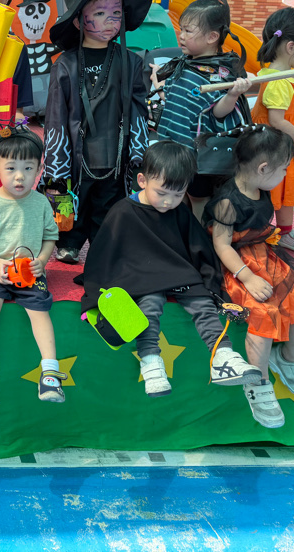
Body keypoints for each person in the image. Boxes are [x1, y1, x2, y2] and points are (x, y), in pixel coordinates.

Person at [82, 141, 261, 398]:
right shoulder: (122, 211)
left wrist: (207, 278)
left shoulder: (180, 210)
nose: (169, 202)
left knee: (202, 302)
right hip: (139, 276)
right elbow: (105, 254)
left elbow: (196, 246)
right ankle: (151, 361)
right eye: (162, 193)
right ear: (142, 180)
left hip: (177, 271)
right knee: (149, 305)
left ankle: (223, 355)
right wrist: (96, 295)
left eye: (178, 195)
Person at [204, 126, 294, 429]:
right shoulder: (227, 202)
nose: (286, 174)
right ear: (263, 169)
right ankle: (258, 383)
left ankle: (287, 357)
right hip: (235, 266)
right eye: (284, 169)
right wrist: (248, 277)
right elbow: (222, 245)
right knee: (263, 314)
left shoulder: (260, 187)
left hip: (264, 257)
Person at [43, 0, 154, 265]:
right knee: (69, 196)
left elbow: (138, 109)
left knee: (110, 201)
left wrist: (138, 151)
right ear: (79, 21)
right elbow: (55, 117)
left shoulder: (131, 61)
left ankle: (104, 244)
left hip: (114, 151)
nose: (110, 21)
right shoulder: (65, 64)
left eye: (116, 13)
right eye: (100, 13)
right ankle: (68, 242)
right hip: (76, 152)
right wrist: (56, 161)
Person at [0, 124, 63, 409]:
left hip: (29, 271)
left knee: (40, 310)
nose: (20, 176)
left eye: (28, 168)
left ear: (39, 170)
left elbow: (50, 237)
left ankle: (50, 372)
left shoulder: (42, 203)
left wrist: (42, 261)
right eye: (11, 168)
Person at [152, 0, 252, 219]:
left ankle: (197, 236)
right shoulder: (185, 63)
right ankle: (180, 233)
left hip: (196, 156)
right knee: (177, 195)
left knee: (197, 199)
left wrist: (232, 94)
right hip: (173, 147)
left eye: (188, 31)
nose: (181, 36)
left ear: (212, 37)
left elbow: (218, 114)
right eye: (181, 29)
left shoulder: (220, 73)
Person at [250, 8, 294, 253]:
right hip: (275, 150)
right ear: (291, 47)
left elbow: (291, 112)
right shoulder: (279, 80)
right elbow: (277, 120)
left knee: (282, 190)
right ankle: (276, 232)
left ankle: (282, 230)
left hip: (281, 149)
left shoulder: (284, 76)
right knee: (275, 191)